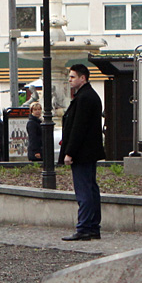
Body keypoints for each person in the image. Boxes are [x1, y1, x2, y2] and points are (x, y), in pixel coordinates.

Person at [58, 63, 104, 241]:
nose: (70, 80)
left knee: (84, 191)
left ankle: (84, 227)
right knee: (91, 189)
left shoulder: (84, 98)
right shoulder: (88, 96)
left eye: (72, 77)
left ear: (82, 78)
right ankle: (92, 227)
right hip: (89, 152)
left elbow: (78, 128)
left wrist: (69, 153)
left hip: (83, 153)